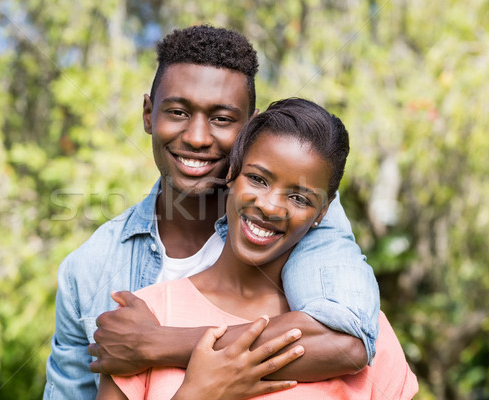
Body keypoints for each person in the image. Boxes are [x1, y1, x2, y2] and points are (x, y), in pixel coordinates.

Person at [44, 25, 379, 399]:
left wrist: (157, 343)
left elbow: (347, 342)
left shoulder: (307, 227)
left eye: (221, 118)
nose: (198, 137)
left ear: (249, 126)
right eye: (177, 112)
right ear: (148, 115)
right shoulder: (90, 269)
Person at [98, 98, 418, 399]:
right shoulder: (144, 320)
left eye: (299, 198)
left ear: (323, 212)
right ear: (231, 174)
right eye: (257, 179)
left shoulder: (365, 332)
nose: (269, 206)